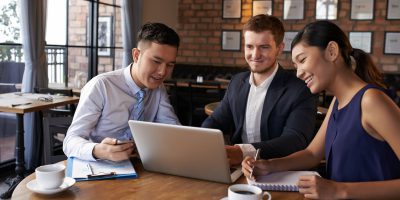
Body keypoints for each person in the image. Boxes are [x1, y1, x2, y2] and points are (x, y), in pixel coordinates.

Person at [242, 20, 400, 199]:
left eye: (302, 60)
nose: (299, 73)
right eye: (295, 66)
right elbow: (312, 154)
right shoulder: (337, 103)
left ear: (332, 51)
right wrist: (268, 165)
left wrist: (338, 190)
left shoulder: (371, 101)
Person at [202, 14, 317, 166]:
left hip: (278, 171)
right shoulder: (237, 82)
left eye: (264, 47)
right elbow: (217, 120)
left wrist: (242, 151)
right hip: (238, 169)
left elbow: (295, 140)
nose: (255, 55)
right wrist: (201, 140)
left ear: (279, 48)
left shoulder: (300, 90)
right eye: (249, 46)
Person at [63, 22, 181, 162]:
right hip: (99, 167)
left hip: (140, 166)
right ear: (136, 55)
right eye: (156, 61)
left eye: (170, 65)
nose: (162, 72)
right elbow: (69, 142)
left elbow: (173, 131)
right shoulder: (101, 86)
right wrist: (99, 150)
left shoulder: (158, 88)